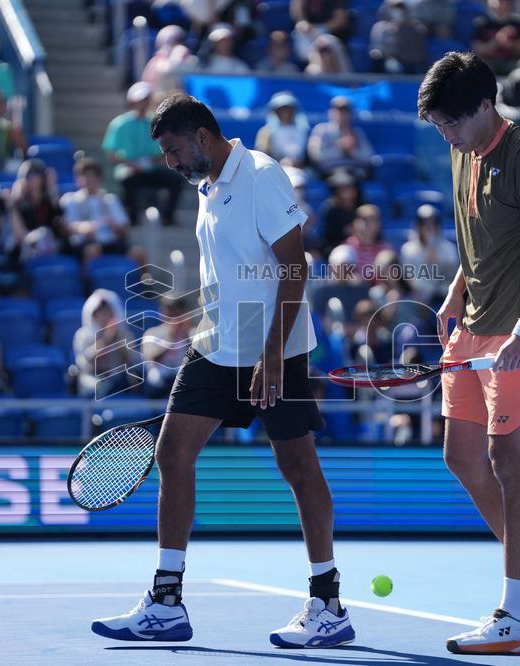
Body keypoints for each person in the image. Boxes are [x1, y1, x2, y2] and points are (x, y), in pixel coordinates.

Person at [91, 94, 354, 648]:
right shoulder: (208, 188)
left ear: (203, 137)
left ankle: (327, 603)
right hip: (215, 348)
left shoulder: (260, 175)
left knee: (298, 464)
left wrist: (274, 354)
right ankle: (166, 602)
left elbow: (294, 266)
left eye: (173, 149)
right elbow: (233, 273)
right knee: (172, 452)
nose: (169, 162)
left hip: (272, 347)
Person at [417, 52, 520, 654]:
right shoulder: (463, 149)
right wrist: (458, 287)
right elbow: (482, 236)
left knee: (509, 461)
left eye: (452, 123)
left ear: (487, 107)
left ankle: (517, 616)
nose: (447, 135)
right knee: (462, 458)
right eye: (438, 127)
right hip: (475, 323)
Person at [102, 81, 183, 227]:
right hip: (129, 169)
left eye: (146, 99)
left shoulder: (156, 122)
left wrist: (148, 162)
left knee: (176, 180)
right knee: (128, 180)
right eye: (140, 100)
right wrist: (131, 164)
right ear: (132, 101)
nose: (143, 103)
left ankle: (167, 218)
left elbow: (163, 151)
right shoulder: (120, 124)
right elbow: (111, 154)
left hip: (151, 168)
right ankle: (131, 218)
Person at [60, 157, 130, 260]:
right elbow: (65, 227)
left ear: (99, 178)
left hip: (110, 244)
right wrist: (83, 228)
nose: (88, 180)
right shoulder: (70, 199)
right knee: (92, 250)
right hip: (82, 245)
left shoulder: (110, 199)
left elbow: (125, 229)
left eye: (92, 176)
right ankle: (85, 276)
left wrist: (114, 226)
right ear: (77, 179)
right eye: (84, 176)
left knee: (138, 253)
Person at [73, 289, 131, 398]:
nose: (104, 316)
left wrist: (118, 339)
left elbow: (129, 360)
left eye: (108, 312)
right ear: (93, 315)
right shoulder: (83, 335)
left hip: (117, 378)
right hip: (92, 378)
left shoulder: (122, 333)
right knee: (100, 387)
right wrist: (106, 339)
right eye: (100, 312)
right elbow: (87, 362)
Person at [399, 203, 459, 303]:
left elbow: (454, 276)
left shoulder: (449, 248)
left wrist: (439, 262)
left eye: (433, 223)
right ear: (418, 226)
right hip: (420, 297)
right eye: (424, 223)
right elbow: (408, 279)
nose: (429, 228)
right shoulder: (407, 249)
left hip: (445, 295)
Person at [307, 96, 373, 179]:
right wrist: (340, 148)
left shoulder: (357, 132)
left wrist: (352, 151)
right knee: (343, 178)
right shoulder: (321, 130)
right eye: (338, 111)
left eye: (345, 112)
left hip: (355, 172)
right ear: (330, 112)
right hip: (330, 173)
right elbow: (315, 155)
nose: (342, 115)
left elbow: (368, 157)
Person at [370, 0, 429, 74]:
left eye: (401, 8)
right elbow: (379, 50)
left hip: (412, 61)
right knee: (393, 67)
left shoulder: (415, 26)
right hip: (390, 60)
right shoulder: (381, 26)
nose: (398, 11)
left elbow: (417, 48)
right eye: (395, 8)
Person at [254, 91, 310, 169]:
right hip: (274, 169)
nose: (285, 113)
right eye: (281, 110)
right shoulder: (266, 132)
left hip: (302, 170)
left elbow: (310, 156)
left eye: (288, 109)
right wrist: (279, 162)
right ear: (275, 112)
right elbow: (261, 154)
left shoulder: (304, 131)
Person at [470, 0, 520, 75]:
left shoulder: (516, 23)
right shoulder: (481, 22)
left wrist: (510, 44)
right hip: (489, 63)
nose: (499, 3)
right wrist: (496, 41)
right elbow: (477, 50)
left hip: (510, 64)